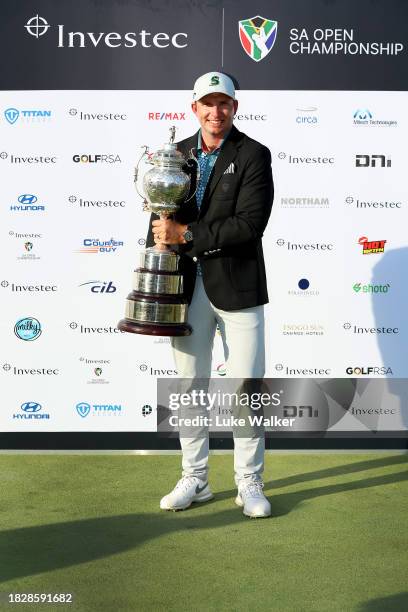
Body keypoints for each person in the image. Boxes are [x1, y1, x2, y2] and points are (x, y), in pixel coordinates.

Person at [146, 71, 274, 518]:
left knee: (246, 388)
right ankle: (195, 477)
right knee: (189, 388)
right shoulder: (175, 154)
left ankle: (249, 481)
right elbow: (162, 218)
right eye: (208, 103)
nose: (215, 111)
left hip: (237, 285)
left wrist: (187, 234)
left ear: (234, 108)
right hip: (185, 286)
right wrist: (160, 247)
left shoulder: (254, 154)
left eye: (224, 104)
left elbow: (249, 224)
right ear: (194, 108)